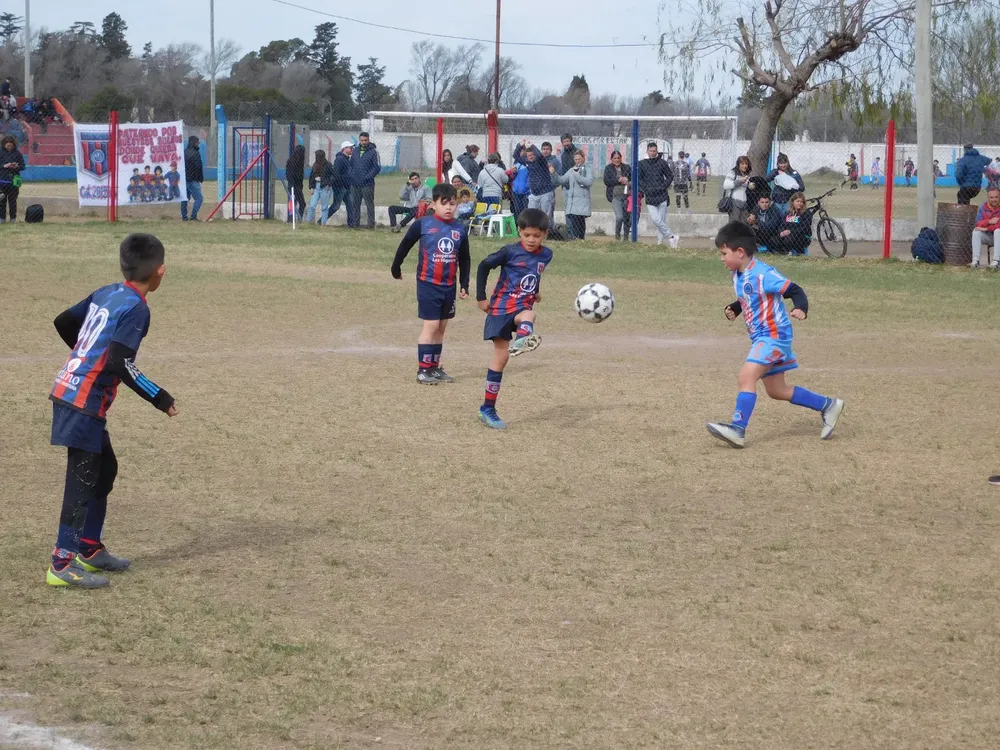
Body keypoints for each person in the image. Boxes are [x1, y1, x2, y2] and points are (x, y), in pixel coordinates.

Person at [46, 234, 178, 587]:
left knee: (105, 471)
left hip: (72, 394)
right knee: (82, 480)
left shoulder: (108, 292)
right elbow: (121, 362)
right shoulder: (137, 308)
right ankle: (61, 564)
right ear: (160, 271)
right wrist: (160, 397)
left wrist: (86, 356)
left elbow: (63, 321)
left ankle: (89, 549)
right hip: (82, 403)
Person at [706, 221, 845, 449]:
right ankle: (828, 405)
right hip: (764, 336)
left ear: (740, 252)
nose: (721, 258)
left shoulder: (763, 274)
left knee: (746, 377)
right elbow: (751, 297)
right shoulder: (738, 273)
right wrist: (737, 307)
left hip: (773, 336)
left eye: (723, 253)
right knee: (777, 391)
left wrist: (801, 308)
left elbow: (794, 290)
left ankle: (737, 429)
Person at [475, 208, 553, 430]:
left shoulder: (546, 255)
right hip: (500, 309)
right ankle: (487, 409)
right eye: (526, 235)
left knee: (530, 314)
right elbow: (483, 266)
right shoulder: (509, 252)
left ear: (545, 234)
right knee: (500, 359)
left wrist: (535, 290)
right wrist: (481, 298)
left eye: (536, 236)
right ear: (519, 232)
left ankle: (523, 338)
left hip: (521, 307)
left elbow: (534, 272)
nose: (531, 240)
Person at [390, 183, 470, 385]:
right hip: (428, 283)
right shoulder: (423, 224)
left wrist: (464, 284)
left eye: (453, 204)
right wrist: (396, 267)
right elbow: (405, 245)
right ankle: (423, 369)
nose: (449, 208)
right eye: (444, 204)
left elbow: (465, 258)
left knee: (442, 327)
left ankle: (434, 367)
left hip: (449, 285)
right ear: (434, 204)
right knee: (432, 325)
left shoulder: (460, 228)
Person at [638, 141, 678, 247]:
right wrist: (646, 188)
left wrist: (663, 186)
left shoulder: (662, 163)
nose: (652, 153)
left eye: (654, 151)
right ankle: (672, 236)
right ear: (647, 151)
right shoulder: (641, 164)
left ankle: (660, 243)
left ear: (657, 151)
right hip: (650, 196)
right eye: (650, 151)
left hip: (662, 196)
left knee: (662, 220)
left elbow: (670, 176)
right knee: (656, 220)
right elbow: (639, 179)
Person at [513, 140, 557, 224]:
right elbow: (515, 155)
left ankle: (548, 233)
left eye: (532, 155)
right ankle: (534, 232)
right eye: (529, 155)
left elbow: (540, 155)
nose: (531, 157)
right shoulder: (527, 163)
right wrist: (519, 145)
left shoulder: (541, 162)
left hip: (545, 193)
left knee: (546, 216)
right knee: (531, 215)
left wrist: (531, 146)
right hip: (534, 194)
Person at [554, 149, 593, 240]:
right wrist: (554, 174)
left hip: (582, 200)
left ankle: (581, 238)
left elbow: (589, 182)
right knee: (573, 221)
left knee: (580, 221)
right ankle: (575, 238)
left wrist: (577, 176)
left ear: (583, 158)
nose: (577, 161)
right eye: (576, 159)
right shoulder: (572, 170)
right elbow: (562, 180)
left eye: (579, 159)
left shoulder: (587, 169)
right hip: (572, 201)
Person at [348, 131, 379, 228]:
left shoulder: (373, 152)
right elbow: (351, 165)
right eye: (362, 140)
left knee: (369, 204)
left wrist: (367, 177)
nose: (364, 142)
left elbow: (376, 168)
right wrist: (352, 175)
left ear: (368, 140)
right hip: (355, 183)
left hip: (367, 184)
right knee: (355, 204)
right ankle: (355, 224)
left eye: (365, 140)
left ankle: (370, 224)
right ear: (359, 140)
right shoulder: (355, 151)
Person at [603, 150, 632, 241]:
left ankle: (626, 238)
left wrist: (627, 181)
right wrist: (618, 180)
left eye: (618, 158)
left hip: (627, 196)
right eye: (615, 158)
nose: (617, 160)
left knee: (627, 217)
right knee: (620, 217)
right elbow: (607, 181)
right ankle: (617, 236)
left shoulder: (627, 168)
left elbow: (633, 180)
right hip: (615, 197)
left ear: (621, 158)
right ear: (611, 159)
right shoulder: (608, 168)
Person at [970, 186, 1000, 268]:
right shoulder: (983, 207)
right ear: (988, 198)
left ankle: (997, 261)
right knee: (976, 232)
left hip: (998, 235)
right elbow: (978, 223)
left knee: (998, 231)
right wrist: (989, 221)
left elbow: (998, 225)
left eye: (996, 197)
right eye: (991, 197)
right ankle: (976, 261)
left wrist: (986, 228)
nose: (994, 199)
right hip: (989, 236)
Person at [723, 155, 754, 224]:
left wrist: (750, 186)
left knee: (743, 224)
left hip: (744, 203)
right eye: (742, 164)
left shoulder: (746, 174)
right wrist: (739, 181)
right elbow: (725, 185)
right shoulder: (733, 172)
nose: (745, 166)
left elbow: (744, 189)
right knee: (734, 225)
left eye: (746, 164)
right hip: (734, 202)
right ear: (738, 164)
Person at [0, 135, 25, 223]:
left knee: (12, 201)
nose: (10, 148)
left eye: (11, 146)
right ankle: (2, 219)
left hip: (14, 182)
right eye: (8, 146)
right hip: (2, 181)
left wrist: (16, 166)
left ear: (14, 145)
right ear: (4, 145)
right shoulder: (1, 152)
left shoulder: (18, 154)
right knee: (2, 201)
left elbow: (23, 166)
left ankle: (13, 219)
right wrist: (4, 166)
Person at [304, 150, 333, 225]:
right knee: (312, 205)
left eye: (317, 156)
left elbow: (332, 176)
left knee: (324, 207)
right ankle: (307, 222)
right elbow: (311, 176)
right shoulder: (315, 165)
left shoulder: (328, 165)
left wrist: (328, 184)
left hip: (325, 187)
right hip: (316, 186)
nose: (316, 158)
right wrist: (311, 187)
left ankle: (323, 223)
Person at [327, 141, 353, 224]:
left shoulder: (347, 159)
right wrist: (342, 182)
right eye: (350, 148)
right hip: (340, 187)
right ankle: (322, 220)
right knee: (336, 206)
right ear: (344, 149)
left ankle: (351, 224)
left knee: (350, 205)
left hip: (346, 186)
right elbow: (336, 173)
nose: (352, 149)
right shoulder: (340, 159)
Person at [181, 135, 203, 221]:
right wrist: (200, 178)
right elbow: (198, 167)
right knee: (199, 198)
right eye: (198, 142)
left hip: (185, 179)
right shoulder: (196, 153)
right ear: (195, 143)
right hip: (193, 179)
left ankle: (184, 216)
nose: (199, 144)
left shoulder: (185, 152)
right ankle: (193, 216)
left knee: (185, 198)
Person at [286, 144, 306, 222]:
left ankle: (292, 218)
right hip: (294, 185)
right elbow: (290, 175)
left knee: (294, 203)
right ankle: (294, 218)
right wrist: (293, 185)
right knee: (300, 203)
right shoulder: (293, 162)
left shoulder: (298, 162)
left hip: (296, 185)